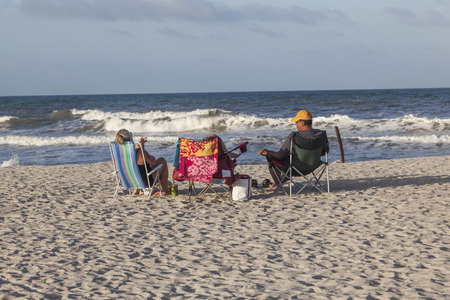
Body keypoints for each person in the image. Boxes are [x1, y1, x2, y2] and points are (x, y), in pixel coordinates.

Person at [258, 110, 329, 189]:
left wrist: (268, 152)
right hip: (313, 165)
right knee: (290, 159)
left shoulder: (295, 136)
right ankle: (278, 183)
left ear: (303, 123)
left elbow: (280, 155)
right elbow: (325, 152)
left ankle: (278, 184)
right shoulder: (321, 134)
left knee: (272, 159)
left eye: (297, 122)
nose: (295, 124)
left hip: (295, 168)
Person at [115, 129, 170, 196]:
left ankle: (137, 190)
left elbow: (135, 162)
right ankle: (165, 191)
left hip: (131, 182)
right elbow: (153, 162)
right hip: (146, 183)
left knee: (139, 168)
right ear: (130, 139)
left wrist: (140, 146)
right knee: (162, 160)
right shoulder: (139, 152)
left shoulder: (118, 154)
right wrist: (141, 149)